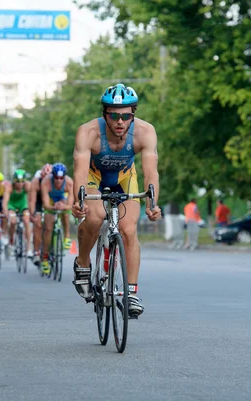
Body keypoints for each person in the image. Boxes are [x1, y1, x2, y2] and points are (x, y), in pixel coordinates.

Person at [71, 83, 161, 318]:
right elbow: (79, 170)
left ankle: (131, 293)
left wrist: (153, 204)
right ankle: (82, 263)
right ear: (105, 114)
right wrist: (78, 199)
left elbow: (151, 172)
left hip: (124, 177)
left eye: (126, 116)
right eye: (114, 115)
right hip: (94, 177)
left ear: (133, 115)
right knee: (95, 216)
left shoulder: (145, 132)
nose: (120, 121)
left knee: (128, 229)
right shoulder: (88, 132)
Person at [40, 163, 74, 275]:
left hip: (61, 198)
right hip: (50, 200)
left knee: (65, 211)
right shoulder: (45, 182)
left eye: (61, 178)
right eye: (56, 178)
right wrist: (52, 207)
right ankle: (44, 257)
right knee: (48, 229)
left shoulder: (69, 182)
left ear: (64, 177)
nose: (59, 180)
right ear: (52, 176)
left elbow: (70, 204)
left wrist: (64, 206)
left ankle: (67, 236)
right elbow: (45, 204)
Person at [28, 163, 52, 266]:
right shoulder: (35, 182)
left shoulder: (54, 181)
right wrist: (33, 214)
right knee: (37, 224)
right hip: (38, 201)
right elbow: (32, 201)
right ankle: (37, 252)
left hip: (50, 200)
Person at [7, 169, 32, 258]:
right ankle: (11, 241)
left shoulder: (28, 186)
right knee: (13, 222)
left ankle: (28, 248)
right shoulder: (10, 187)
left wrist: (31, 211)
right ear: (14, 181)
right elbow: (5, 200)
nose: (19, 184)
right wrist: (5, 211)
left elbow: (31, 199)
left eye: (22, 182)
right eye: (17, 182)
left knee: (26, 220)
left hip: (23, 204)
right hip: (12, 205)